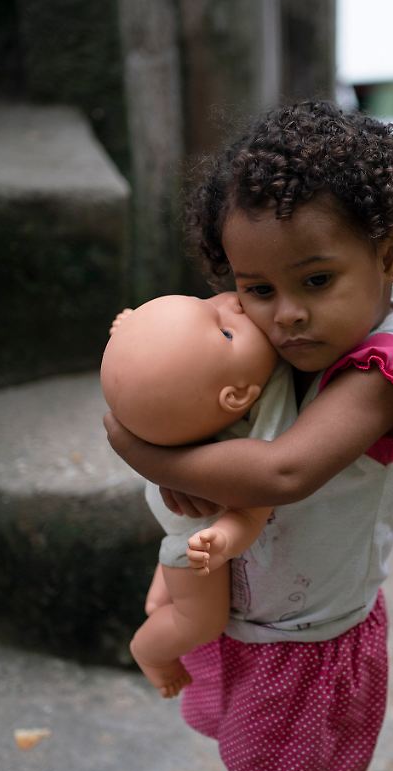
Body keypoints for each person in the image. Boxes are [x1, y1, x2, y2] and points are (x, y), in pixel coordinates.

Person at [103, 100, 393, 771]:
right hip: (255, 617)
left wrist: (147, 452)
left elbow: (282, 473)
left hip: (307, 640)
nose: (282, 314)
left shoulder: (386, 372)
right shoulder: (296, 342)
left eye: (315, 281)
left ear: (389, 257)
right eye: (258, 289)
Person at [100, 292, 296, 698]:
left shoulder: (236, 371)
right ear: (237, 396)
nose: (233, 306)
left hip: (175, 513)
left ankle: (158, 601)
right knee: (200, 620)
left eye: (212, 305)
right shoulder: (257, 431)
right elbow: (250, 511)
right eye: (226, 331)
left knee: (174, 568)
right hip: (197, 525)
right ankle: (150, 650)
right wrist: (224, 540)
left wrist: (132, 328)